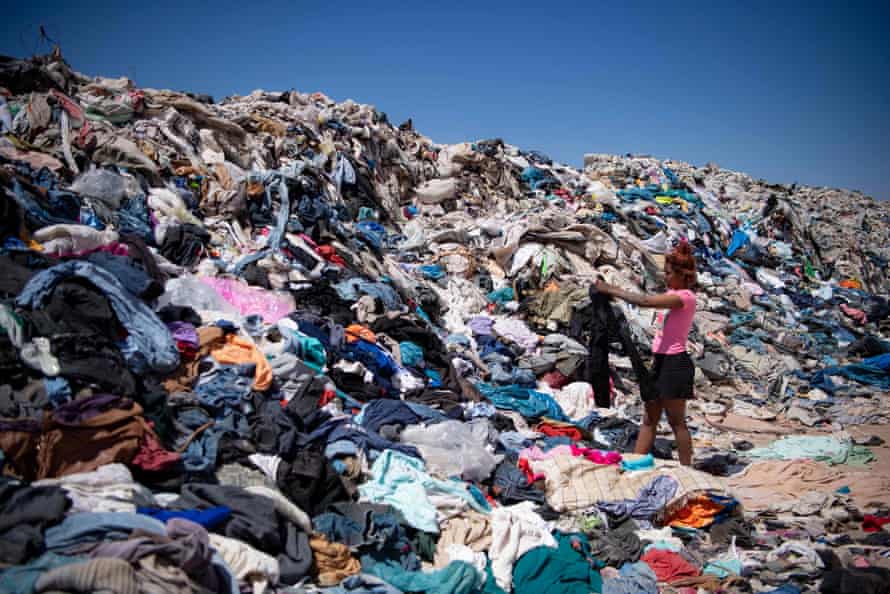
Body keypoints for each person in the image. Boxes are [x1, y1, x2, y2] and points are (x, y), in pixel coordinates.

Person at [594, 241, 697, 465]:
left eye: (669, 273)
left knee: (676, 421)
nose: (665, 278)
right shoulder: (673, 293)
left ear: (682, 275)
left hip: (675, 363)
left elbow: (645, 301)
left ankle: (688, 469)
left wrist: (610, 289)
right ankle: (634, 463)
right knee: (649, 417)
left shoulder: (685, 297)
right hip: (660, 361)